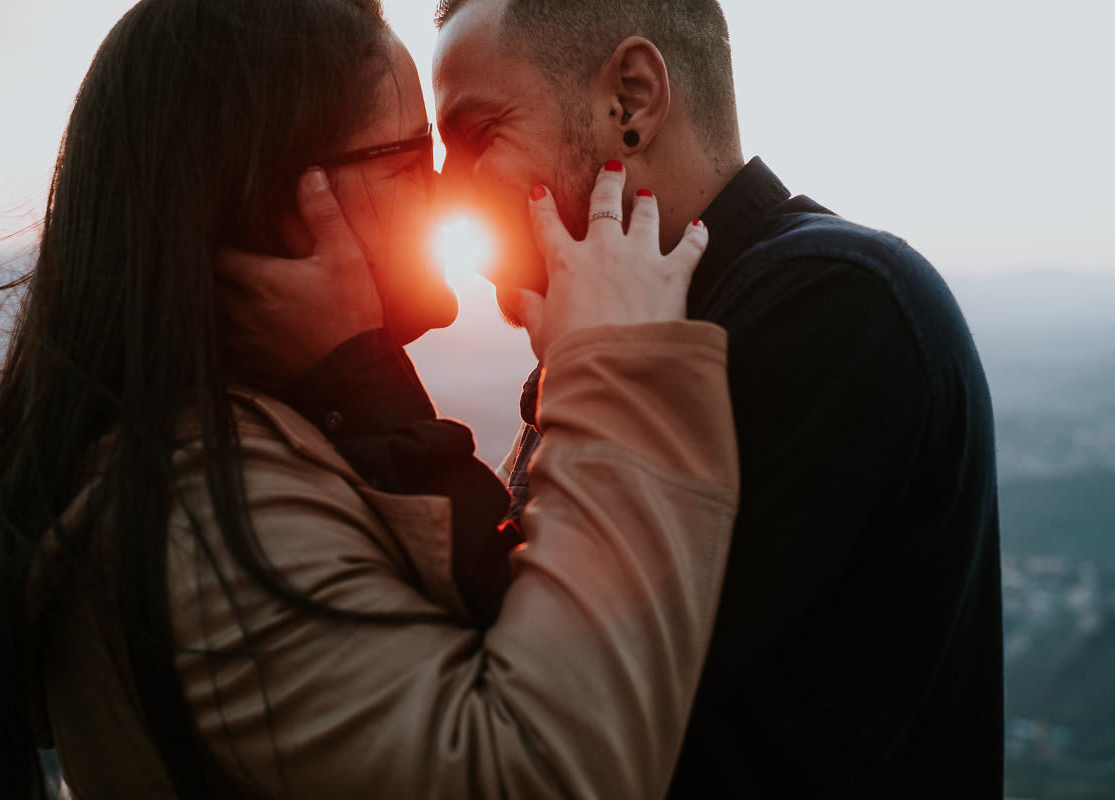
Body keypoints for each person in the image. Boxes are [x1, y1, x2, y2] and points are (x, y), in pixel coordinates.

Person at [0, 1, 739, 798]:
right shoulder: (205, 520)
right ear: (281, 200)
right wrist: (621, 368)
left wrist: (357, 377)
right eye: (412, 161)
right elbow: (537, 768)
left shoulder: (264, 445)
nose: (450, 197)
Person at [427, 1, 1004, 798]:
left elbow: (532, 697)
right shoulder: (633, 331)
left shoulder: (829, 308)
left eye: (476, 135)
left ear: (630, 100)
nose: (442, 195)